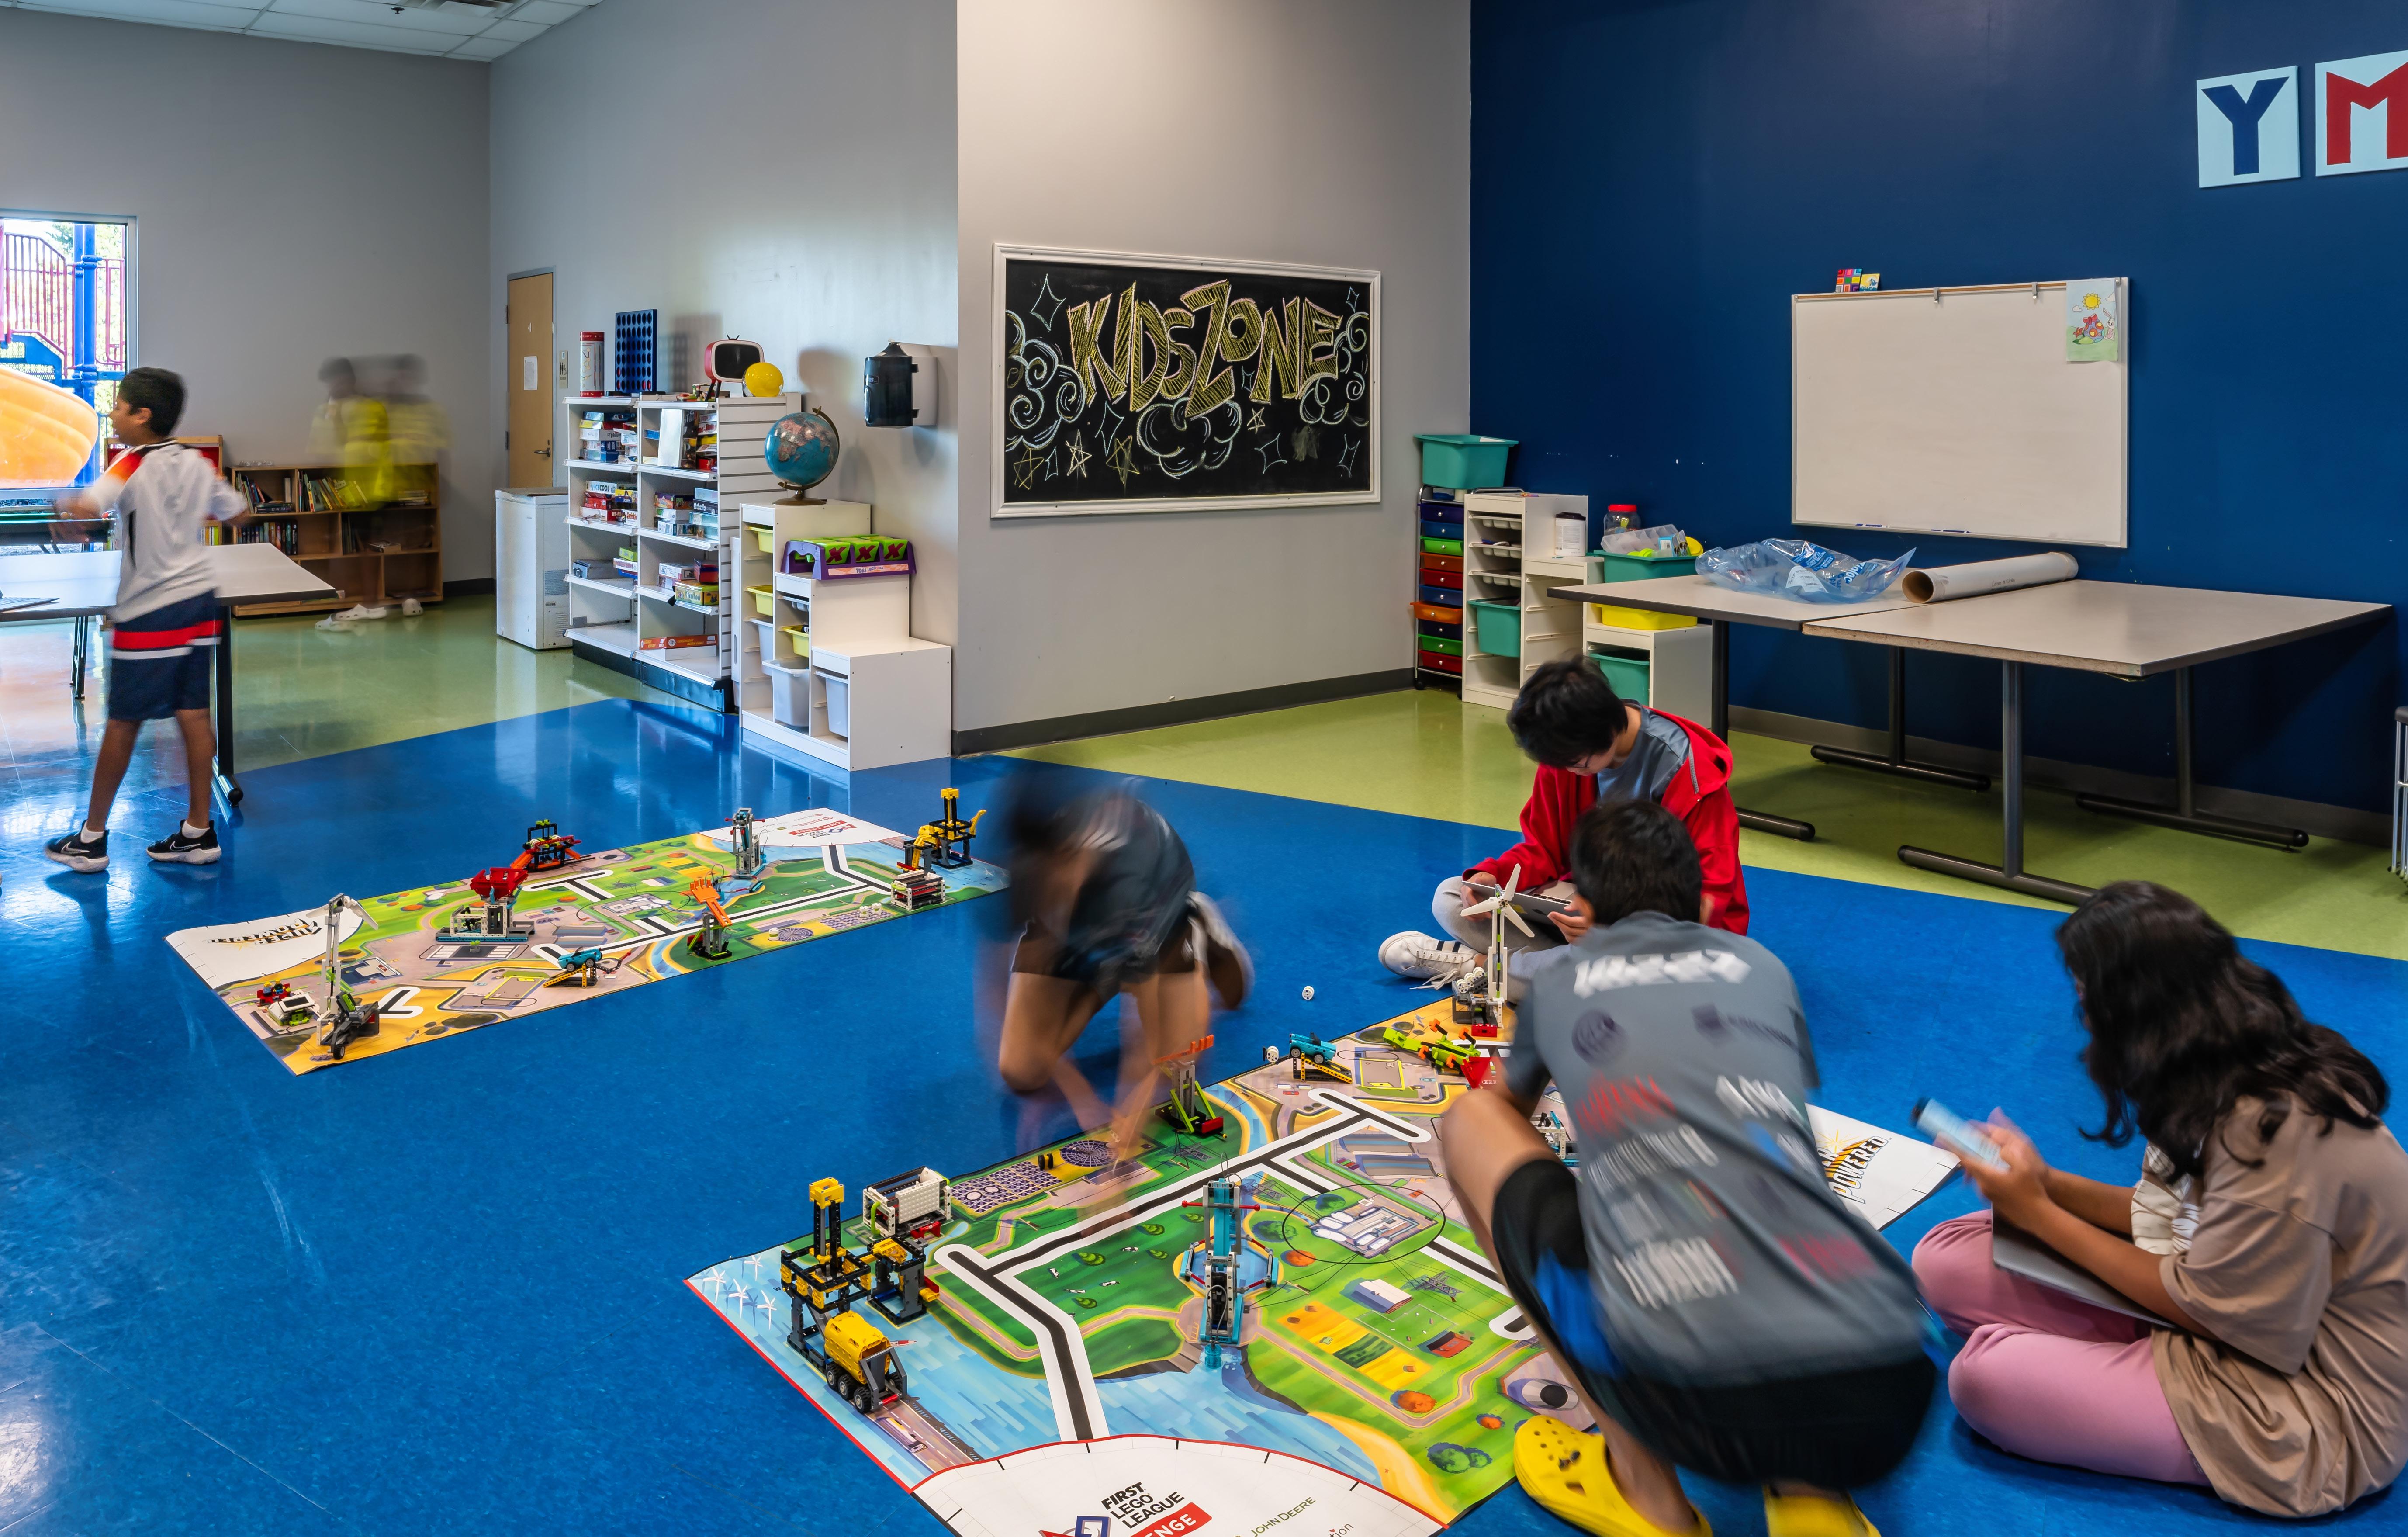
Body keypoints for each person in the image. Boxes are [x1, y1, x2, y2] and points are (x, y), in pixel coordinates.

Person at [1441, 799, 1931, 1537]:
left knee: (1469, 1125)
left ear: (1581, 911)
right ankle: (1811, 1497)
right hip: (1891, 1386)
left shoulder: (1565, 980)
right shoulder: (1764, 967)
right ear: (1701, 902)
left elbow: (1505, 1108)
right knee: (1765, 1179)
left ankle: (1646, 1495)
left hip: (1684, 1394)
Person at [1912, 881, 2407, 1519]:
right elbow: (2176, 1219)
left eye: (2087, 994)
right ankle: (2112, 1366)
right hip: (2233, 1311)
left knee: (1985, 1377)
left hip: (2308, 1400)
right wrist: (2046, 1184)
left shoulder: (2276, 1132)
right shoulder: (2220, 1055)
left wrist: (2039, 1213)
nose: (2081, 1011)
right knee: (1945, 1257)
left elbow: (2219, 1311)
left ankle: (2105, 1369)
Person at [1382, 656, 1747, 997]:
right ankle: (1553, 970)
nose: (1569, 772)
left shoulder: (1688, 772)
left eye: (1577, 764)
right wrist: (1494, 876)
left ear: (1607, 729)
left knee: (1629, 970)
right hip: (1582, 911)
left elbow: (1707, 901)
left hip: (1668, 935)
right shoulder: (1567, 753)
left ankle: (1477, 967)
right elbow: (1544, 848)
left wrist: (1608, 929)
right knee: (1453, 897)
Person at [43, 368, 246, 872]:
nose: (112, 414)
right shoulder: (196, 462)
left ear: (142, 415)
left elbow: (85, 510)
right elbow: (238, 511)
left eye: (119, 406)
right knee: (194, 715)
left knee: (123, 721)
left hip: (150, 612)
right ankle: (198, 832)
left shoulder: (130, 463)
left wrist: (63, 506)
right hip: (198, 603)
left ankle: (90, 840)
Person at [992, 775, 1252, 1160]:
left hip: (1157, 919)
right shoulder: (1029, 874)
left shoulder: (1135, 884)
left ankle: (1198, 919)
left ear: (1077, 858)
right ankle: (1108, 969)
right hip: (1093, 935)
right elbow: (994, 992)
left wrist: (1131, 1116)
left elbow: (1142, 1042)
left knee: (1177, 1060)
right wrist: (1081, 1098)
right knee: (1022, 1071)